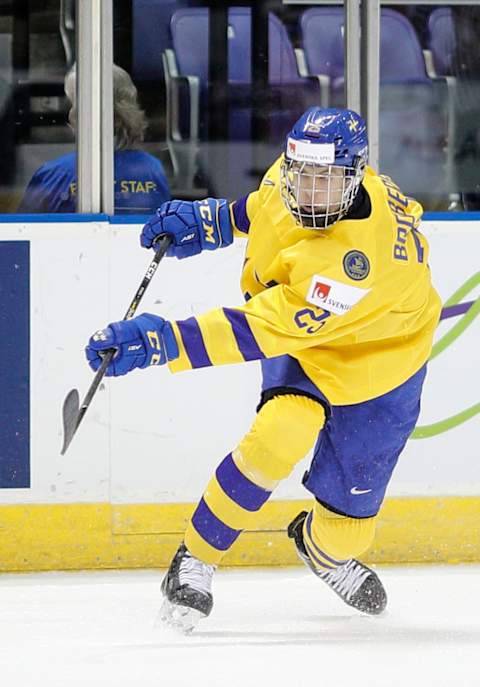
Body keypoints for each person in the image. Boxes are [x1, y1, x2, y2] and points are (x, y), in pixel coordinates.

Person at [86, 107, 441, 633]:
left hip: (382, 367)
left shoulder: (350, 268)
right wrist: (213, 222)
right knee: (278, 435)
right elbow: (267, 206)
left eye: (325, 180)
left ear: (354, 175)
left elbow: (255, 331)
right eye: (303, 174)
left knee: (347, 532)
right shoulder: (302, 173)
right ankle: (196, 558)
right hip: (306, 346)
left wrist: (161, 341)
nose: (309, 190)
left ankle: (323, 550)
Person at [17, 64, 170, 214]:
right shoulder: (154, 170)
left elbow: (20, 232)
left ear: (77, 111)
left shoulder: (53, 175)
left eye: (69, 103)